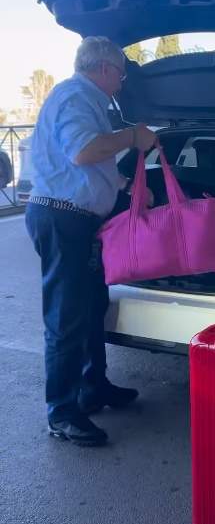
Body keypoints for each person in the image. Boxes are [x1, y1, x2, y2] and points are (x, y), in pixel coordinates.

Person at [26, 37, 157, 446]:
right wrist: (131, 135)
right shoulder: (74, 97)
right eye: (120, 72)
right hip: (61, 219)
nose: (121, 81)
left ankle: (92, 387)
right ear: (103, 68)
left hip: (77, 220)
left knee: (91, 306)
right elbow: (83, 151)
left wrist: (123, 185)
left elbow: (90, 166)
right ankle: (62, 413)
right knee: (65, 318)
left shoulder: (90, 102)